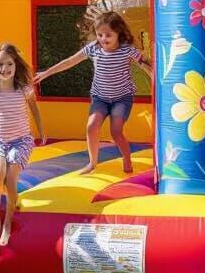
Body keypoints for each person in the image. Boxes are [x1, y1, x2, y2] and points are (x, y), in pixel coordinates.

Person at [33, 9, 152, 175]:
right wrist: (46, 73)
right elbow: (70, 61)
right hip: (100, 98)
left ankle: (126, 157)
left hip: (122, 98)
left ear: (118, 33)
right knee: (91, 126)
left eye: (108, 35)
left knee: (116, 131)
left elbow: (145, 65)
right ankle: (92, 163)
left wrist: (155, 78)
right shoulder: (93, 48)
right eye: (100, 35)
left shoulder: (127, 50)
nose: (103, 39)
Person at [0, 43, 45, 247]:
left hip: (20, 141)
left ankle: (7, 222)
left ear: (16, 64)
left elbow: (35, 110)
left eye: (9, 64)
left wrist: (41, 131)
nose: (4, 69)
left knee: (10, 179)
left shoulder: (24, 89)